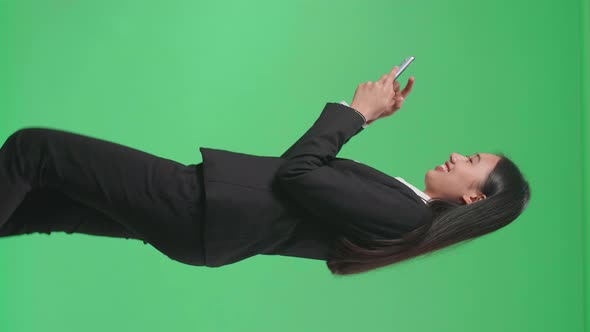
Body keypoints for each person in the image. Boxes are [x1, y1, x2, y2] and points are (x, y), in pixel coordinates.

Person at [0, 66, 531, 276]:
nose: (460, 157)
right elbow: (309, 185)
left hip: (199, 207)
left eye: (473, 164)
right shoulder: (406, 208)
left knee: (34, 152)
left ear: (474, 200)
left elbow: (296, 174)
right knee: (43, 206)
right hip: (205, 220)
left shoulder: (406, 216)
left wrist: (356, 113)